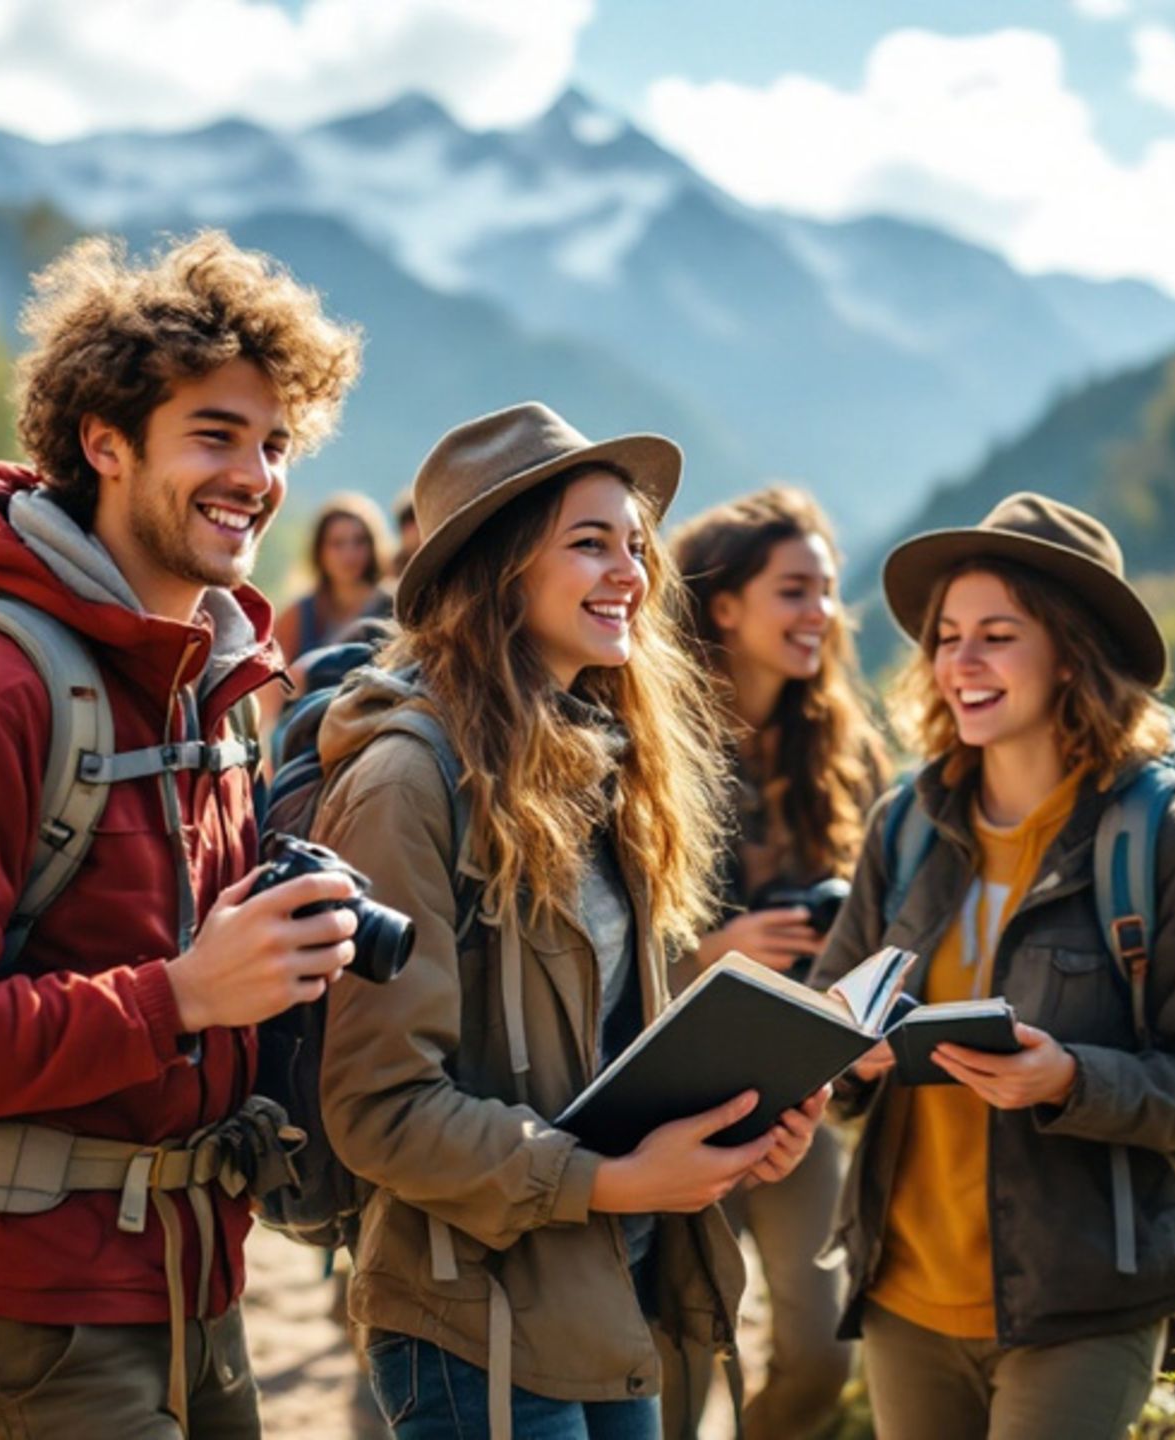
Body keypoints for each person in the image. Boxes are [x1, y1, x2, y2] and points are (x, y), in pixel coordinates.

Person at [0, 232, 363, 1439]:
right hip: (34, 1315)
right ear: (104, 444)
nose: (258, 478)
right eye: (215, 436)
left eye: (276, 443)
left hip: (195, 1281)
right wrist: (178, 995)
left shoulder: (206, 682)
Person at [312, 403, 829, 1440]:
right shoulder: (406, 784)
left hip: (608, 1291)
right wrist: (609, 1179)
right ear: (498, 569)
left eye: (635, 545)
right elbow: (376, 1107)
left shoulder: (606, 771)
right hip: (475, 1326)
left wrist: (738, 1125)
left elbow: (606, 1056)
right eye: (590, 544)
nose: (631, 572)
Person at [808, 493, 1175, 1440]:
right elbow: (826, 1010)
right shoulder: (906, 826)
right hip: (904, 1297)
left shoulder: (1165, 844)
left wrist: (1069, 1079)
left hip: (1084, 1304)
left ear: (1070, 653)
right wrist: (842, 1057)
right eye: (947, 636)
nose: (960, 664)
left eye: (998, 636)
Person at [663, 487, 892, 1440]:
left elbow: (888, 918)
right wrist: (707, 957)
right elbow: (585, 943)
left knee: (819, 1355)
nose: (821, 615)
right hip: (669, 1099)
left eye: (828, 592)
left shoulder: (849, 755)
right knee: (674, 1367)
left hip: (801, 1094)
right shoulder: (648, 745)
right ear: (724, 607)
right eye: (795, 590)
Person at [271, 491, 395, 662]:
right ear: (319, 551)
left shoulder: (394, 606)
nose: (349, 554)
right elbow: (275, 677)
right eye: (337, 544)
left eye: (359, 541)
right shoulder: (299, 614)